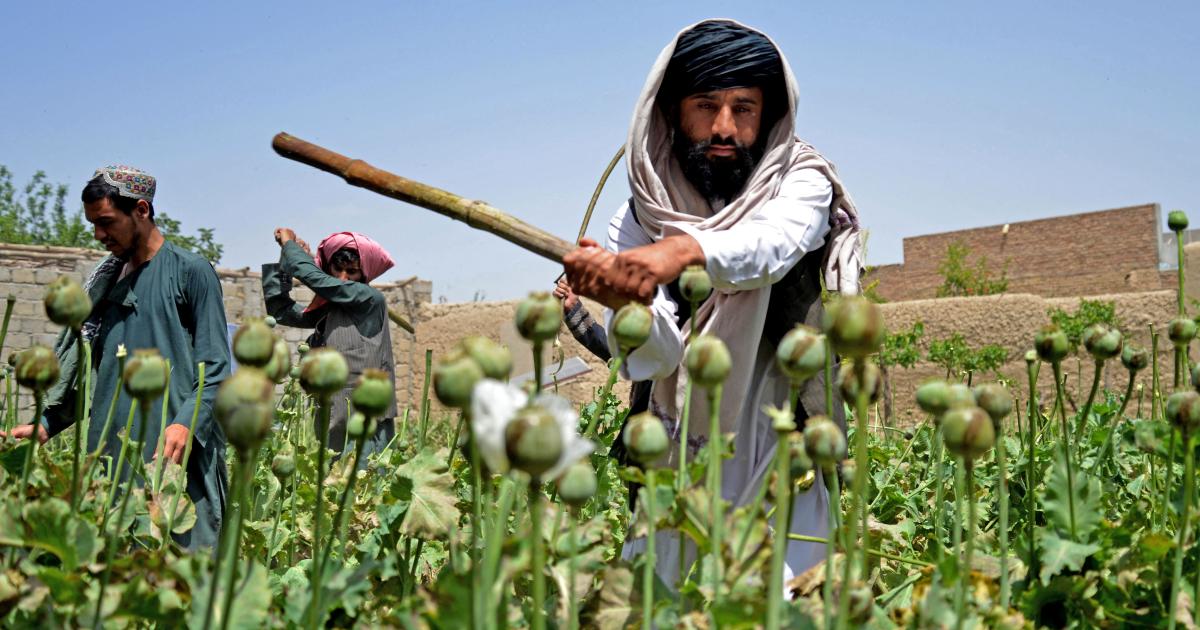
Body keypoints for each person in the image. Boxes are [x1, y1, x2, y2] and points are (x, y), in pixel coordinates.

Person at [563, 20, 864, 582]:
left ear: (768, 115)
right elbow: (658, 356)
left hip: (783, 443)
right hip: (676, 454)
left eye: (743, 108)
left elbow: (767, 248)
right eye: (706, 105)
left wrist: (680, 252)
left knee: (788, 604)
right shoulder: (636, 218)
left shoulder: (800, 181)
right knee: (661, 605)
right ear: (673, 112)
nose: (724, 128)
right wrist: (626, 306)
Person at [9, 165, 232, 549]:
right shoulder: (104, 286)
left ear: (141, 210)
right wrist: (47, 423)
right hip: (110, 464)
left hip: (174, 463)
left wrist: (185, 423)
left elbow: (214, 367)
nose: (98, 235)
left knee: (186, 584)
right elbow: (96, 380)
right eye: (93, 224)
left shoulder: (190, 273)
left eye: (106, 222)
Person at [262, 229, 398, 455]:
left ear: (364, 274)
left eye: (352, 272)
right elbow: (281, 311)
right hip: (330, 412)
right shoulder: (330, 308)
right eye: (337, 269)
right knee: (330, 482)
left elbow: (315, 278)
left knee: (365, 483)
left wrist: (290, 247)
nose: (343, 278)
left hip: (364, 415)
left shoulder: (369, 300)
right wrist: (287, 258)